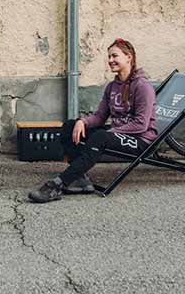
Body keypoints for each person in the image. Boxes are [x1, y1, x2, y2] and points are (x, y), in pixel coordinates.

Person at [27, 37, 158, 203]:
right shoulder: (112, 87)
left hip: (141, 140)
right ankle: (80, 179)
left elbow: (141, 124)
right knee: (70, 126)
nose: (110, 60)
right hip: (118, 133)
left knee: (101, 136)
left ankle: (57, 185)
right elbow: (100, 116)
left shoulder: (142, 86)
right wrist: (82, 122)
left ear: (129, 57)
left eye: (115, 56)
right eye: (109, 57)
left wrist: (110, 133)